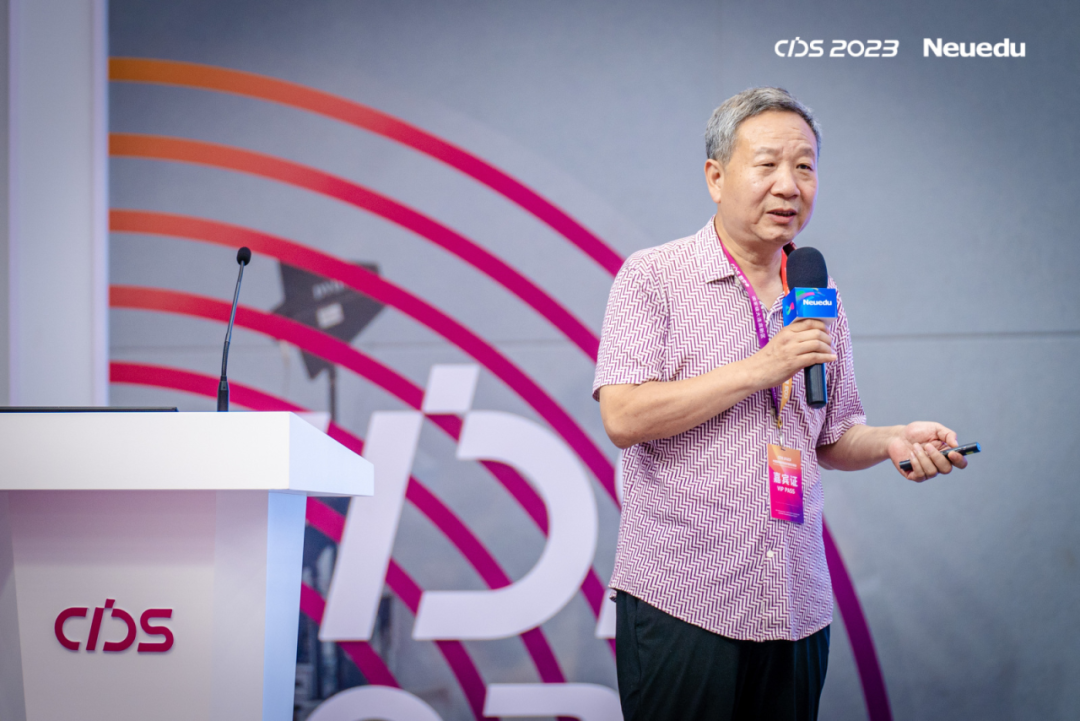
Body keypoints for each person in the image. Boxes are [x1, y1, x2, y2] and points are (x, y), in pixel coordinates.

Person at [593, 87, 968, 721]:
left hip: (795, 602)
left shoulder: (819, 292)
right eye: (767, 164)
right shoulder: (653, 277)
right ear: (716, 177)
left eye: (805, 167)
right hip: (686, 597)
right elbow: (624, 417)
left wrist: (892, 440)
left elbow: (832, 435)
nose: (789, 186)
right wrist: (761, 368)